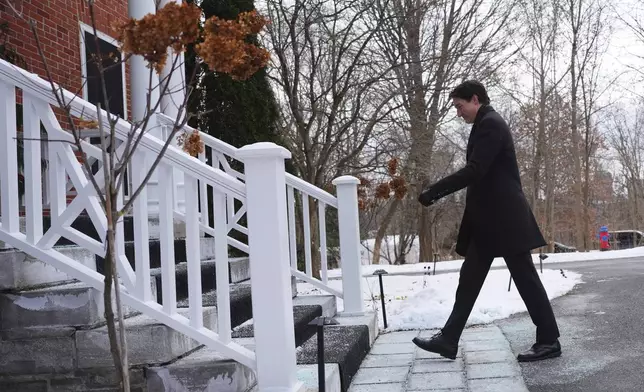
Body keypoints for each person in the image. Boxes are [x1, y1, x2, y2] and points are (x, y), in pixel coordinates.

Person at [413, 80, 561, 362]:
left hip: (505, 220)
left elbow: (475, 170)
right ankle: (449, 339)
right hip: (490, 222)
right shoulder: (484, 124)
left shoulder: (491, 124)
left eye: (459, 106)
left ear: (475, 99)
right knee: (469, 279)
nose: (458, 113)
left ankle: (549, 340)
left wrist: (435, 191)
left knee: (525, 279)